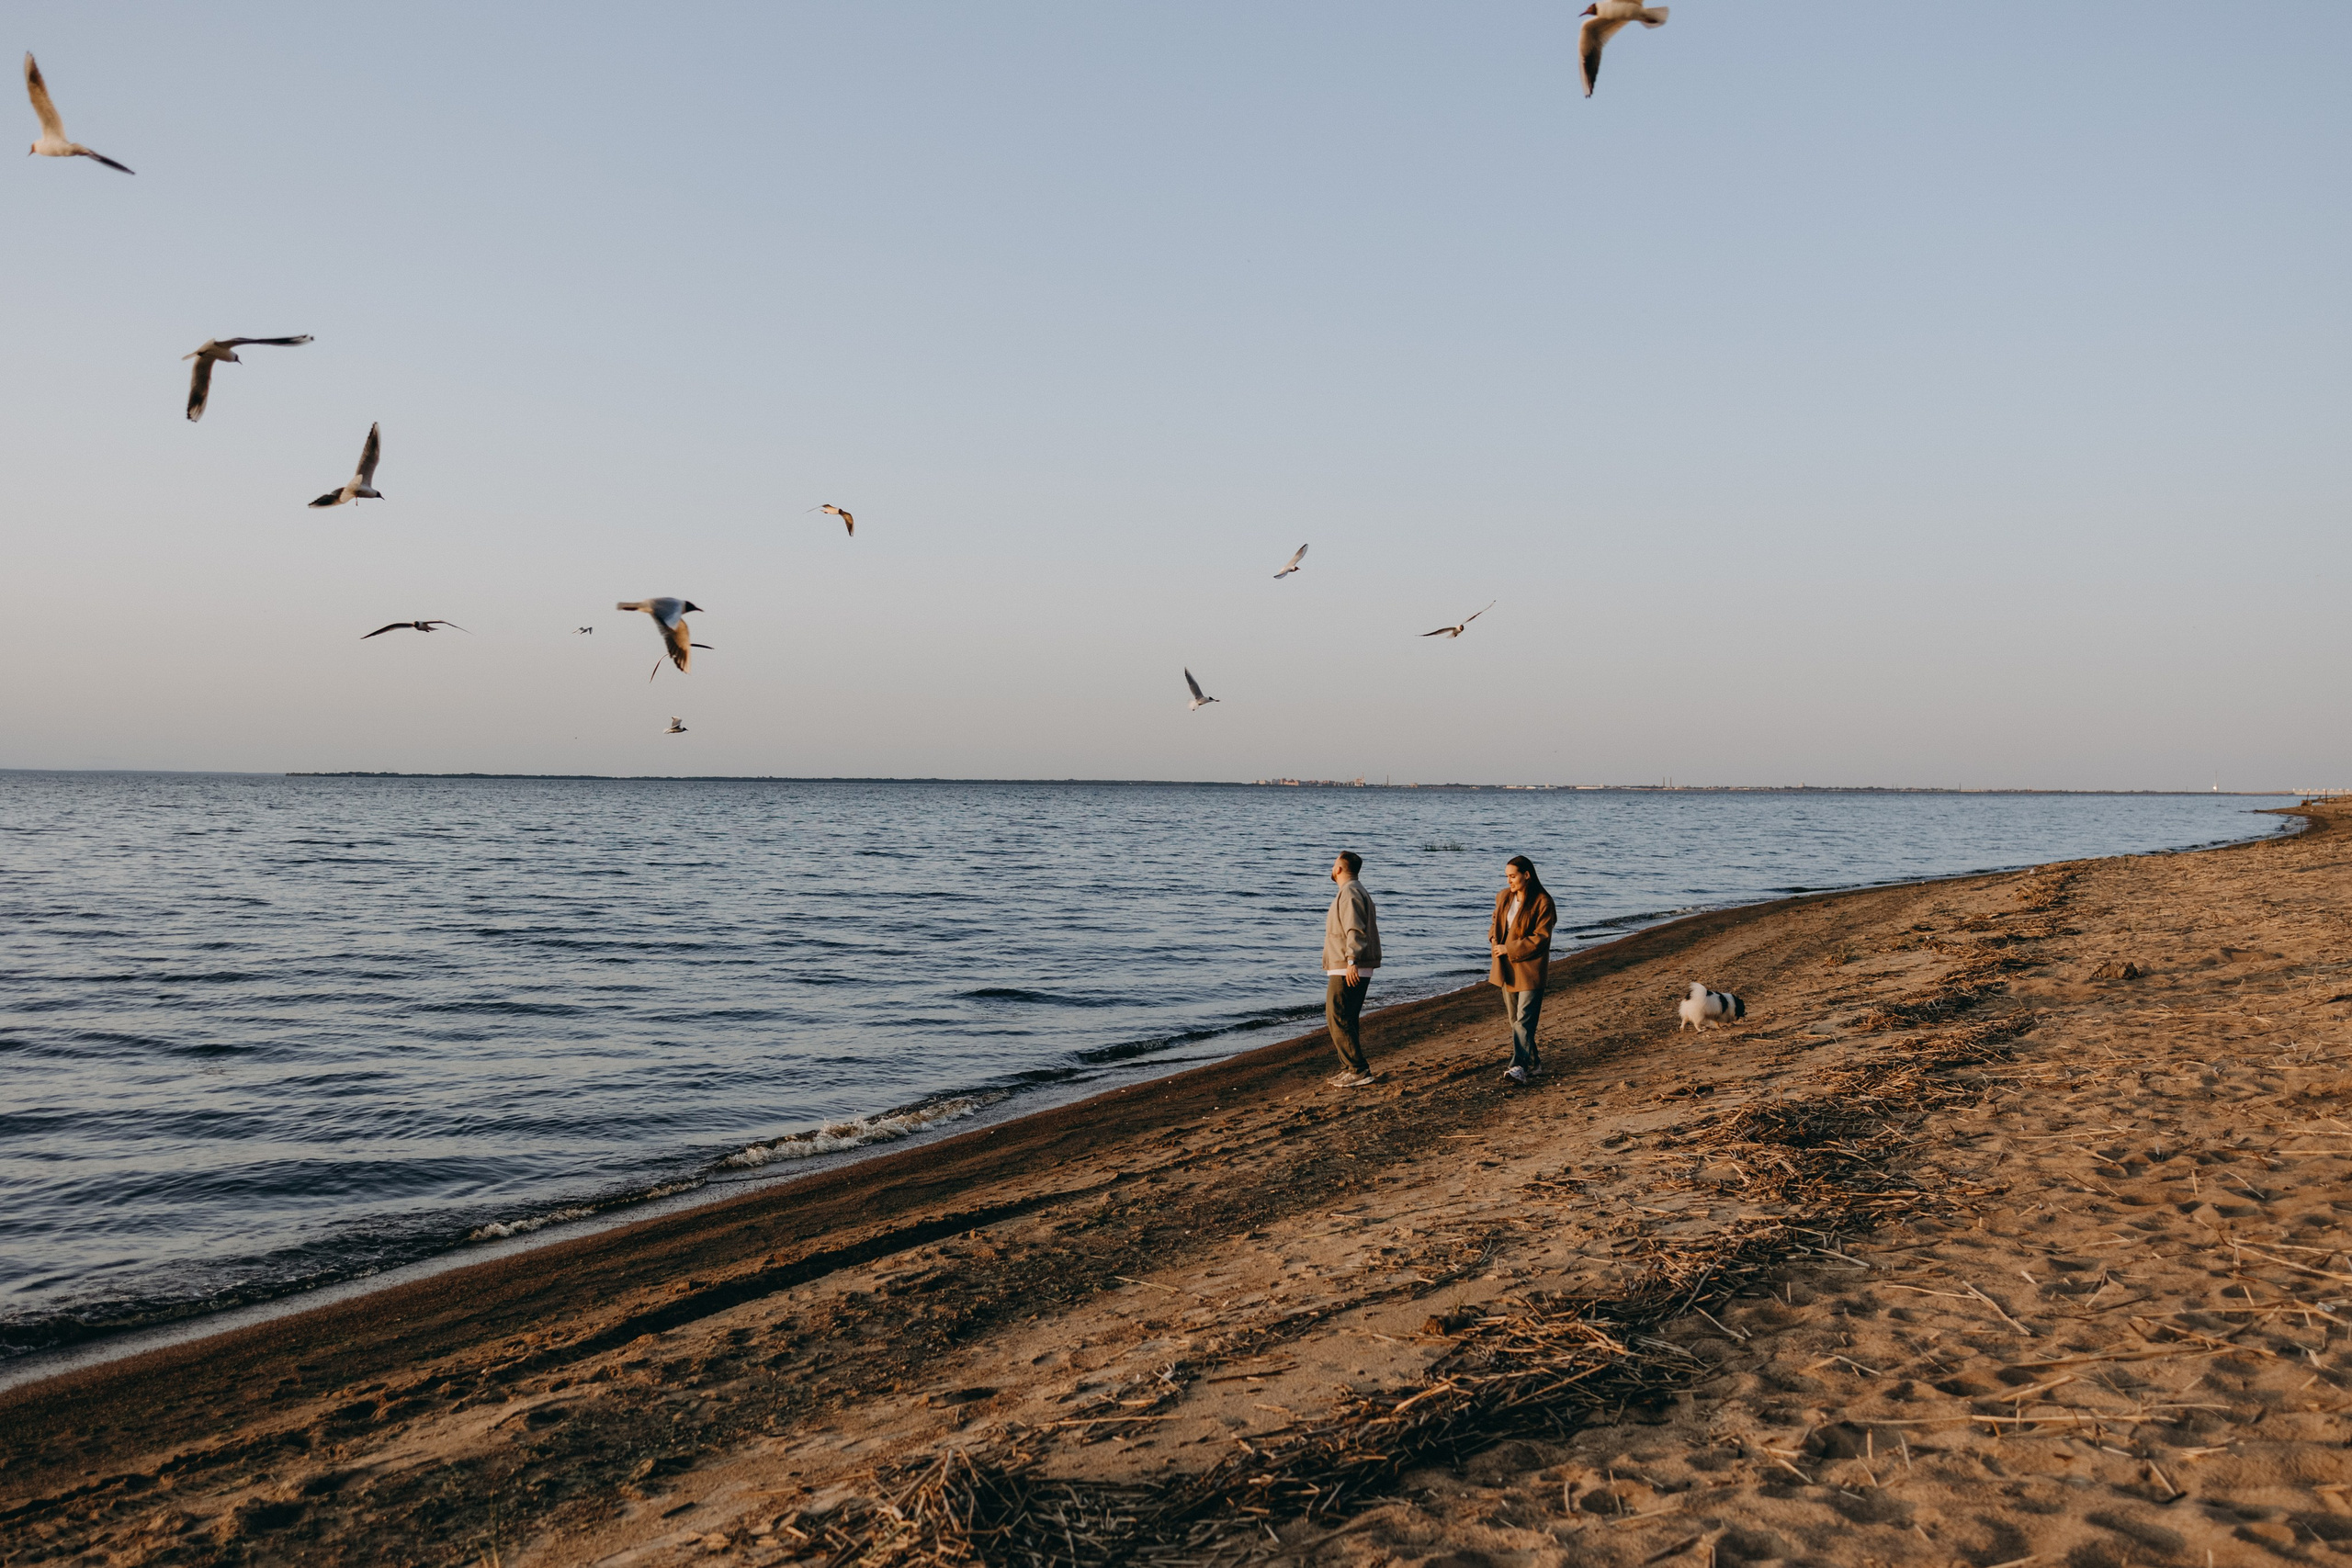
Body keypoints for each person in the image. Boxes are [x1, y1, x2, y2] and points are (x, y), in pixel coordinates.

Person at [1489, 854, 1556, 1084]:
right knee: (1514, 1020)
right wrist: (1494, 941)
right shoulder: (1503, 897)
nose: (1509, 881)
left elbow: (1541, 938)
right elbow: (1494, 925)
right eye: (1507, 876)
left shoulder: (1543, 902)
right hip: (1506, 967)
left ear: (1526, 875)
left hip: (1530, 969)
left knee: (1524, 1020)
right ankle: (1535, 1062)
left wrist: (1509, 948)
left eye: (1513, 876)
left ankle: (1518, 1066)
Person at [1322, 850, 1382, 1087]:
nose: (1331, 867)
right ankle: (1350, 1067)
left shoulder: (1350, 892)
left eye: (1334, 863)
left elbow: (1355, 929)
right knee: (1346, 1017)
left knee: (1338, 1015)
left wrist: (1351, 961)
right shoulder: (1353, 891)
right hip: (1350, 964)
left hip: (1348, 966)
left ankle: (1358, 1069)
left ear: (1339, 868)